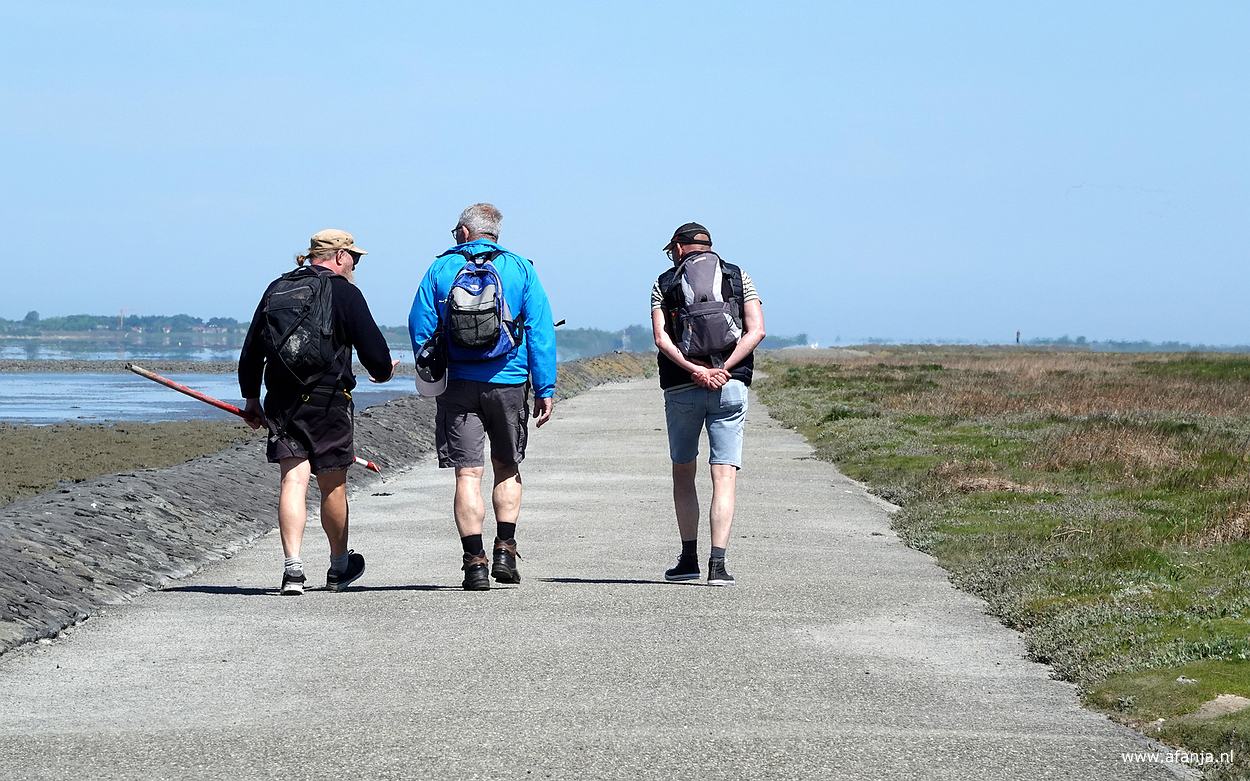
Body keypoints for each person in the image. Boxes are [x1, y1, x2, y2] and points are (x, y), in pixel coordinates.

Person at [239, 229, 397, 596]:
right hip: (329, 400)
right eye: (353, 258)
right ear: (339, 256)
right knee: (332, 482)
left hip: (281, 400)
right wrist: (384, 371)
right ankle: (340, 566)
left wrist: (251, 400)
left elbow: (251, 351)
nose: (355, 264)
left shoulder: (277, 289)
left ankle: (292, 570)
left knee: (292, 480)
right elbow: (374, 351)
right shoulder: (345, 292)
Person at [408, 203, 557, 591]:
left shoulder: (440, 268)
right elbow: (541, 331)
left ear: (462, 231)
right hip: (508, 381)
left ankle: (474, 564)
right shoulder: (521, 268)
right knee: (507, 467)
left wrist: (432, 373)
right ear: (496, 233)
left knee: (468, 474)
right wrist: (545, 388)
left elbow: (419, 325)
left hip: (458, 384)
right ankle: (505, 551)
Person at [651, 222, 765, 586]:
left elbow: (661, 338)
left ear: (680, 248)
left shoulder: (664, 282)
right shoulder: (738, 276)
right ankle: (718, 565)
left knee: (684, 473)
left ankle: (688, 560)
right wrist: (722, 369)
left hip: (681, 386)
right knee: (724, 476)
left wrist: (693, 369)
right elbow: (757, 330)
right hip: (730, 386)